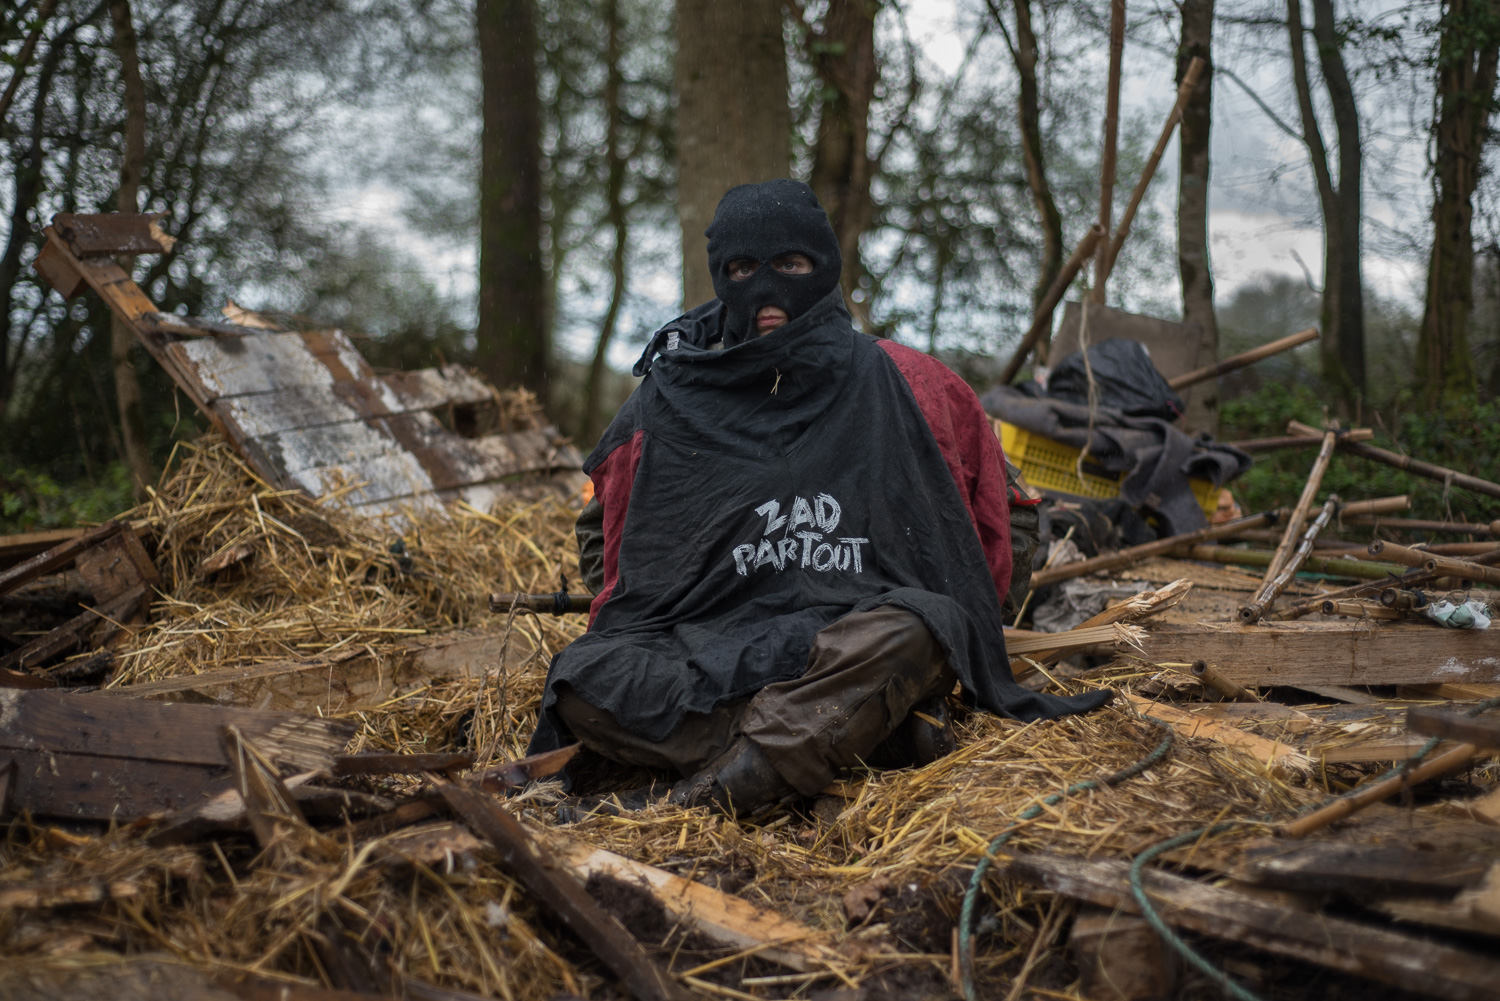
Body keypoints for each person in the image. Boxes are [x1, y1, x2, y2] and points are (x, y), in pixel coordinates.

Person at [527, 179, 1110, 816]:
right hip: (710, 651)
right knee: (584, 682)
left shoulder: (913, 383)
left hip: (850, 645)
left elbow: (1005, 519)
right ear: (720, 276)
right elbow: (607, 542)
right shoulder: (670, 399)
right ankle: (866, 736)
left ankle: (703, 796)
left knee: (923, 626)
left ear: (824, 267)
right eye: (744, 268)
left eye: (791, 264)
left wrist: (979, 618)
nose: (767, 289)